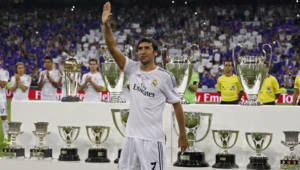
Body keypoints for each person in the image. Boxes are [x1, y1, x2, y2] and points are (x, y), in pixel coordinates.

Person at [102, 2, 188, 170]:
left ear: (155, 52)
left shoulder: (165, 76)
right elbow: (112, 48)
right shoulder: (131, 69)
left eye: (147, 48)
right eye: (140, 48)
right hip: (131, 139)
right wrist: (106, 25)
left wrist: (183, 134)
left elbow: (177, 105)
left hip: (152, 141)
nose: (142, 51)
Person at [0, 59, 9, 143]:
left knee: (3, 117)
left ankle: (6, 135)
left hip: (1, 98)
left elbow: (2, 85)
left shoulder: (4, 72)